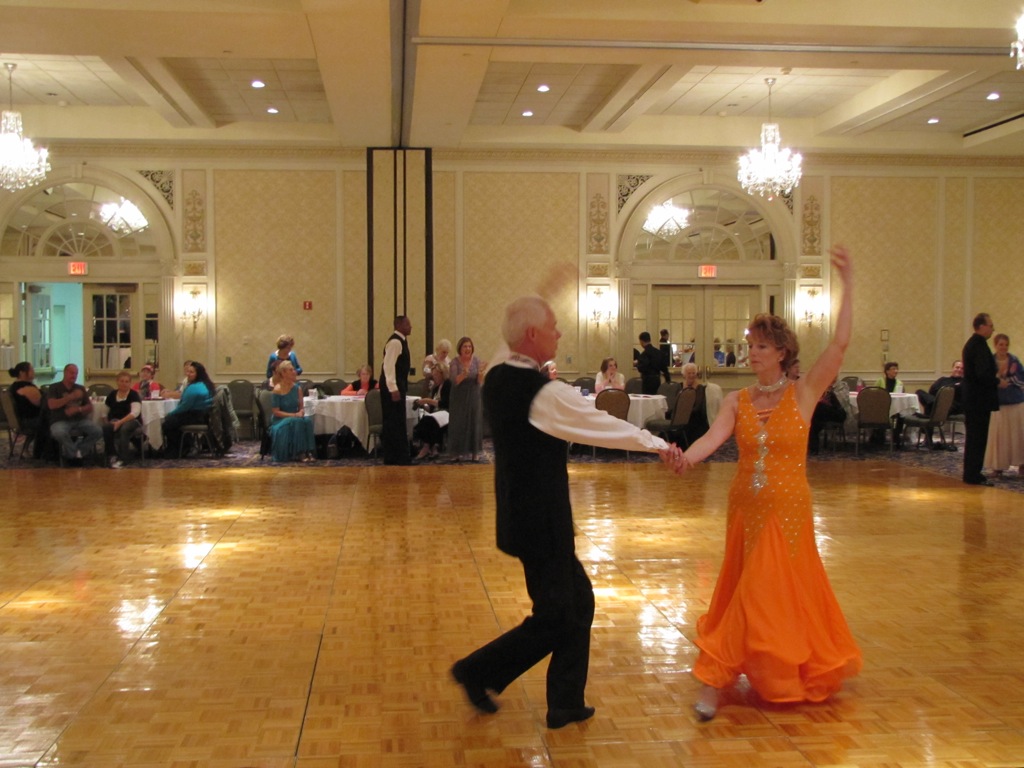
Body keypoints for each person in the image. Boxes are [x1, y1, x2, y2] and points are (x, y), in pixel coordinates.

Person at [450, 295, 672, 730]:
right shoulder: (544, 393)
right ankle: (477, 671)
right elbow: (603, 426)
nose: (560, 333)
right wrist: (661, 446)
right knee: (556, 617)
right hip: (542, 523)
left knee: (579, 602)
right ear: (533, 334)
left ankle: (565, 702)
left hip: (521, 516)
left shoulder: (497, 376)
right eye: (553, 326)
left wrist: (540, 294)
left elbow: (509, 342)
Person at [662, 245, 860, 721]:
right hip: (745, 510)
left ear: (783, 353)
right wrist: (685, 459)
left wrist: (849, 284)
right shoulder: (738, 399)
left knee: (771, 593)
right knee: (746, 590)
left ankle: (723, 679)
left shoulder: (804, 392)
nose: (752, 352)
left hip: (788, 510)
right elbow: (713, 438)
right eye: (750, 345)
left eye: (762, 347)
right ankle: (725, 674)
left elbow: (838, 346)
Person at [962, 313, 999, 486]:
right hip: (978, 400)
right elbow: (982, 374)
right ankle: (973, 474)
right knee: (977, 438)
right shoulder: (979, 346)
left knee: (974, 438)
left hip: (974, 400)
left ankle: (972, 472)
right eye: (990, 325)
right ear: (982, 326)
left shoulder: (973, 344)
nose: (993, 329)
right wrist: (998, 381)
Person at [983, 334, 1024, 476]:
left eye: (1006, 345)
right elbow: (987, 379)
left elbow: (1021, 378)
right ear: (995, 345)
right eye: (1001, 344)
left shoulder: (1014, 361)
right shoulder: (990, 361)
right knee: (1000, 435)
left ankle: (1022, 464)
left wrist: (1010, 378)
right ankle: (998, 466)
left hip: (1015, 401)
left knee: (1018, 434)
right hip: (998, 402)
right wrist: (998, 377)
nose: (1004, 347)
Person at [47, 364, 104, 462]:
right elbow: (52, 405)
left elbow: (89, 407)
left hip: (79, 420)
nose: (74, 376)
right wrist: (70, 397)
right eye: (72, 373)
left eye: (76, 374)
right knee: (58, 432)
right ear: (65, 373)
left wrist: (79, 409)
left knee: (98, 430)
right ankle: (74, 454)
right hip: (60, 420)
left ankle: (79, 451)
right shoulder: (54, 387)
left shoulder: (80, 388)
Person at [162, 361, 215, 457]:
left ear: (198, 373)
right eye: (188, 371)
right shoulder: (206, 384)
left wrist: (170, 413)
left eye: (191, 372)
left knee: (167, 423)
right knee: (172, 421)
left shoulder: (194, 388)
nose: (188, 374)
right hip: (204, 416)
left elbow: (184, 407)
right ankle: (184, 446)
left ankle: (178, 449)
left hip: (196, 417)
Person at [380, 315, 412, 465]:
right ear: (399, 325)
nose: (410, 326)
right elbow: (388, 366)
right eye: (408, 324)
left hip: (396, 385)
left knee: (397, 420)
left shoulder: (401, 341)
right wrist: (393, 388)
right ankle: (396, 457)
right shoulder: (395, 342)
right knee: (394, 421)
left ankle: (396, 456)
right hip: (393, 387)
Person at [269, 360, 316, 463]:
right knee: (297, 421)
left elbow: (301, 408)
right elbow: (276, 412)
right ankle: (299, 452)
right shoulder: (277, 389)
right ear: (283, 373)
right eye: (291, 370)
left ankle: (309, 451)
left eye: (294, 370)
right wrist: (294, 415)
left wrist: (301, 412)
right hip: (280, 420)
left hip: (295, 416)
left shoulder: (297, 388)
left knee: (307, 420)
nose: (294, 372)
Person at [448, 336, 486, 461]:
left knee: (475, 421)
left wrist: (481, 373)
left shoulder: (476, 360)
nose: (467, 348)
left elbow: (479, 381)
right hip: (459, 396)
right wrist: (464, 373)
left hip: (474, 395)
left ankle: (475, 453)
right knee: (458, 423)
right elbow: (454, 381)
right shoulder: (454, 362)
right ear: (460, 348)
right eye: (465, 346)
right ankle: (456, 452)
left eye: (469, 346)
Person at [915, 361, 963, 450]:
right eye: (957, 367)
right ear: (952, 368)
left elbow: (957, 395)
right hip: (936, 401)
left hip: (951, 405)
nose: (959, 370)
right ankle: (933, 404)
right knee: (919, 392)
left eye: (962, 368)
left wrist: (945, 389)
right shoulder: (942, 379)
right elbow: (932, 390)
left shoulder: (964, 382)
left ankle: (927, 438)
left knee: (929, 406)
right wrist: (950, 387)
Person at [101, 370, 142, 468]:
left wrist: (119, 422)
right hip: (115, 420)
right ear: (117, 382)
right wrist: (108, 423)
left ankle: (124, 458)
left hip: (131, 421)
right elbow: (104, 413)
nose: (124, 383)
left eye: (127, 381)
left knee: (125, 428)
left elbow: (135, 413)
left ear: (130, 383)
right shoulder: (112, 395)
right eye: (122, 381)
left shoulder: (133, 395)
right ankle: (112, 455)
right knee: (106, 428)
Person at [413, 360, 451, 460]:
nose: (435, 377)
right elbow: (431, 409)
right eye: (433, 375)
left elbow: (445, 403)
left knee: (429, 420)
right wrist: (422, 405)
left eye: (436, 375)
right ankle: (433, 447)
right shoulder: (435, 388)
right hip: (436, 414)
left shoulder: (448, 384)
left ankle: (426, 447)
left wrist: (427, 400)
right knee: (428, 420)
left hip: (447, 413)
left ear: (442, 373)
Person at [8, 361, 45, 457]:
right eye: (31, 369)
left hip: (22, 420)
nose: (34, 372)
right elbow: (42, 404)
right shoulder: (27, 387)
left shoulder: (13, 387)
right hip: (29, 421)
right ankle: (48, 453)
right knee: (54, 421)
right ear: (22, 373)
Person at [809, 377, 849, 455]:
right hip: (824, 413)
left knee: (817, 409)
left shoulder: (842, 385)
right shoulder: (823, 386)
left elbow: (842, 403)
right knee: (815, 419)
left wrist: (828, 398)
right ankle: (813, 447)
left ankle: (813, 446)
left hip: (839, 413)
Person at [679, 362, 710, 445]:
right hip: (680, 415)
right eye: (689, 373)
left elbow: (698, 406)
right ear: (684, 375)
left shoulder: (700, 388)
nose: (691, 375)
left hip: (694, 416)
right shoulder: (679, 386)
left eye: (693, 373)